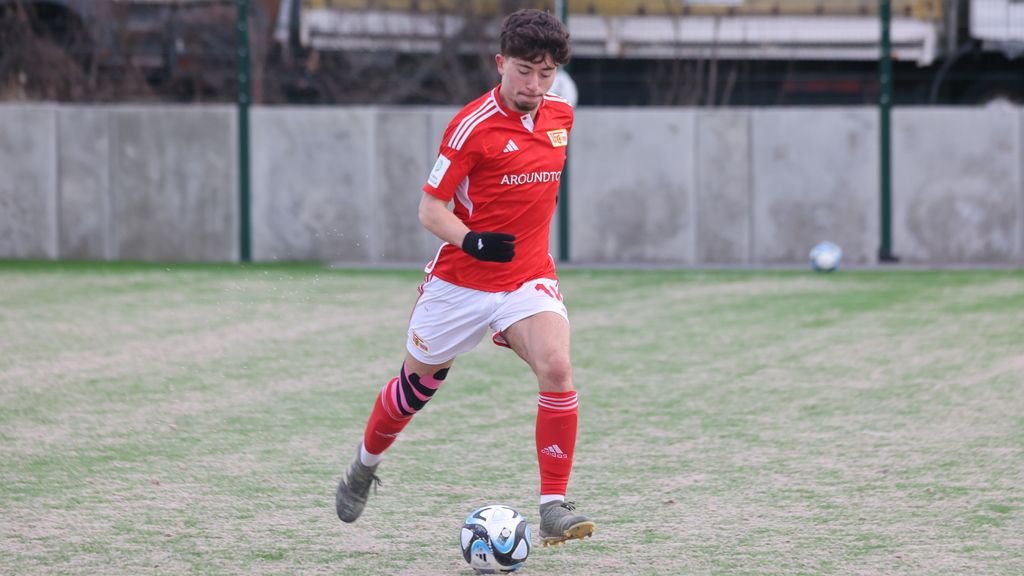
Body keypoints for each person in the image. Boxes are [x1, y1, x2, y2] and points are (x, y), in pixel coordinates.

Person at [335, 8, 595, 547]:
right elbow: (430, 209)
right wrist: (472, 240)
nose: (534, 85)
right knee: (413, 392)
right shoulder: (470, 126)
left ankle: (553, 506)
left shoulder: (561, 117)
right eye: (524, 70)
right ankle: (364, 465)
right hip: (460, 285)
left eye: (545, 74)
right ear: (501, 63)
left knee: (557, 366)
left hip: (527, 280)